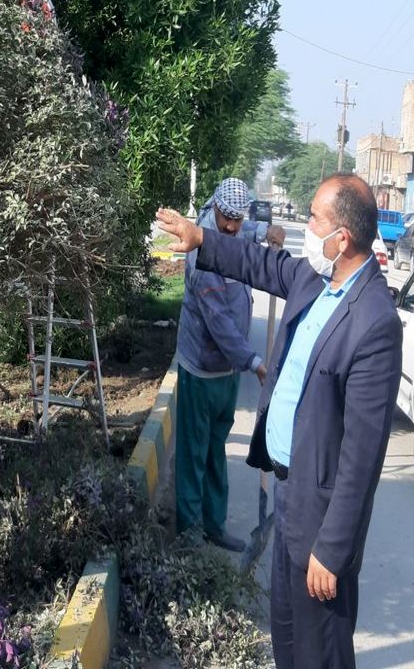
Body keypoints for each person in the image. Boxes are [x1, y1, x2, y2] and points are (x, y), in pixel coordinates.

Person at [156, 173, 401, 669]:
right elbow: (259, 263)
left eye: (314, 218)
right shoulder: (317, 278)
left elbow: (362, 454)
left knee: (321, 653)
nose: (305, 228)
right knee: (287, 642)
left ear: (342, 238)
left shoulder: (375, 321)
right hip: (288, 495)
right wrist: (202, 238)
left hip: (320, 515)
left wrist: (333, 549)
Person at [174, 178, 283, 551]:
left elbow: (246, 232)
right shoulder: (199, 251)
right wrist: (253, 362)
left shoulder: (236, 229)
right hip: (201, 366)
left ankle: (213, 525)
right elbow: (217, 320)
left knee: (216, 446)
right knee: (194, 450)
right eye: (227, 219)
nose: (232, 227)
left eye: (238, 220)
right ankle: (188, 533)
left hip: (227, 370)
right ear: (215, 209)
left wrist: (267, 230)